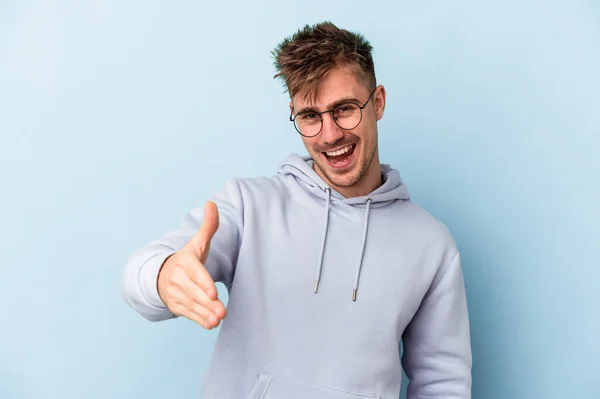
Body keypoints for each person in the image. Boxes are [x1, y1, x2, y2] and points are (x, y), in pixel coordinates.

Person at [121, 21, 472, 399]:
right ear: (294, 114)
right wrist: (163, 276)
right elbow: (138, 275)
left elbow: (443, 385)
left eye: (345, 109)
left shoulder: (430, 245)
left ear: (378, 101)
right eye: (310, 116)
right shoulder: (249, 206)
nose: (330, 134)